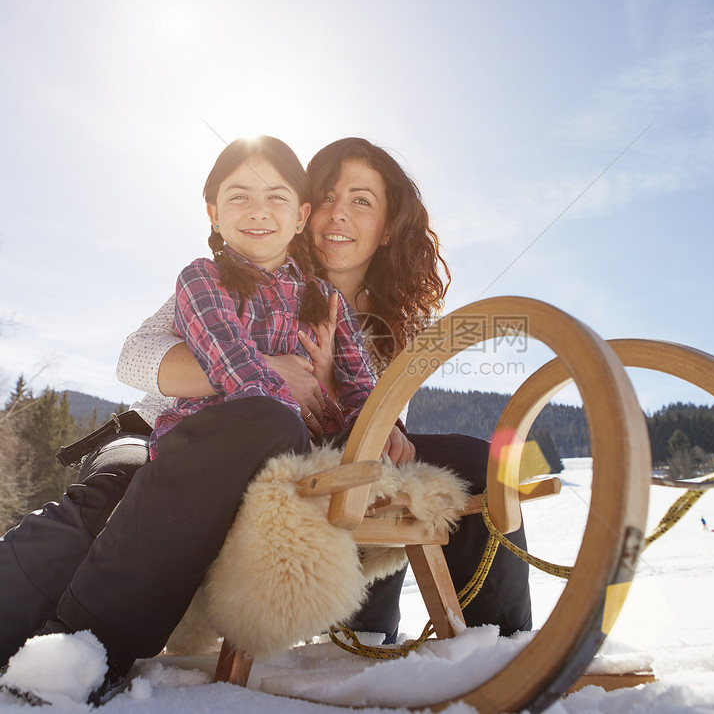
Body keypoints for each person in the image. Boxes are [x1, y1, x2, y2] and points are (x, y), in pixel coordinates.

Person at [119, 138, 532, 640]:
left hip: (329, 446)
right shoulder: (251, 270)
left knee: (467, 461)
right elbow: (133, 356)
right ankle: (362, 641)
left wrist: (340, 390)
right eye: (329, 197)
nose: (339, 215)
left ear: (386, 228)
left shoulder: (391, 322)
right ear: (304, 211)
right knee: (355, 466)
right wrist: (268, 368)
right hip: (219, 441)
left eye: (361, 201)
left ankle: (500, 646)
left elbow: (373, 415)